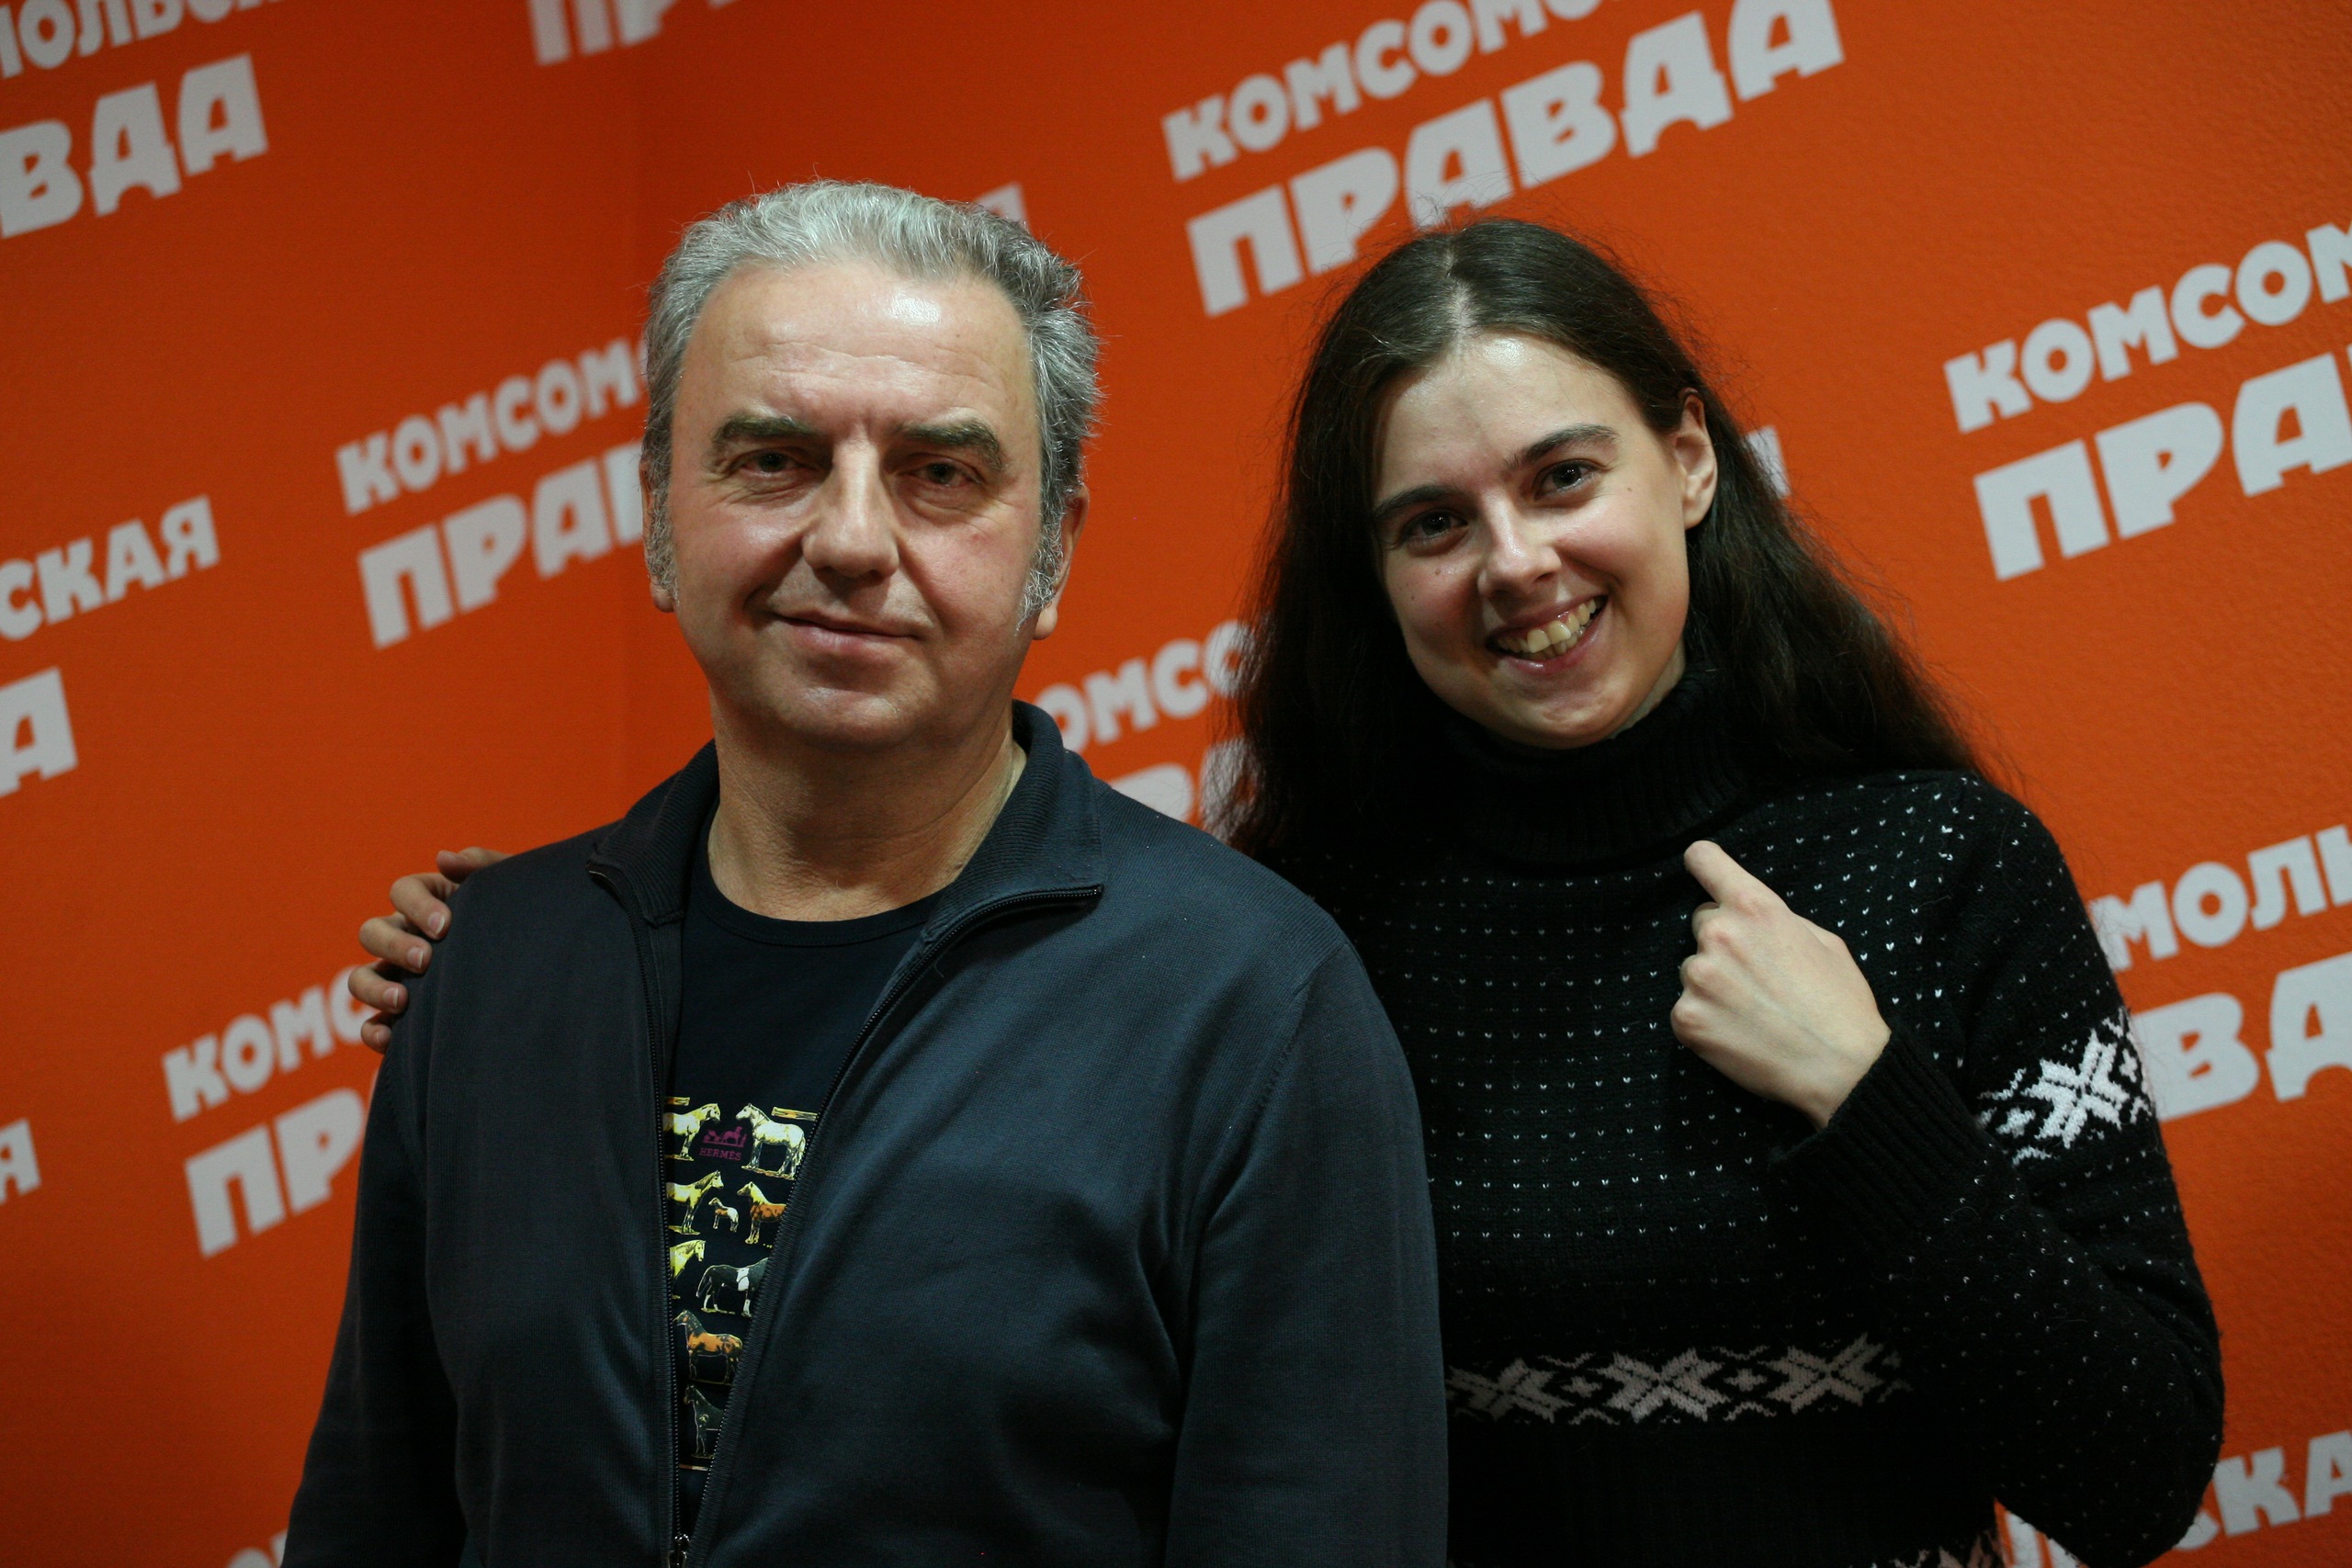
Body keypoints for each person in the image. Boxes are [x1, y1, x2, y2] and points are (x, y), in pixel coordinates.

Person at [359, 218, 2225, 1567]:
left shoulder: (1937, 868)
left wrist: (1866, 1098)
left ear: (1683, 462)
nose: (1514, 563)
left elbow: (2135, 1468)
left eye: (1563, 475)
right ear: (1373, 577)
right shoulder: (1310, 938)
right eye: (1432, 521)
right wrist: (543, 962)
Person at [289, 182, 1446, 1568]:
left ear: (1054, 549)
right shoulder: (490, 970)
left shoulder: (1251, 1006)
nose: (848, 540)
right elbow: (375, 1514)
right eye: (773, 460)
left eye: (940, 473)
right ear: (658, 513)